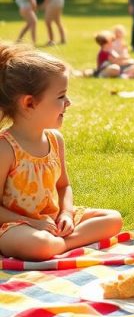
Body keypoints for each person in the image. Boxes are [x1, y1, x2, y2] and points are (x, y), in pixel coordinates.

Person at [0, 42, 122, 261]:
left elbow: (63, 186)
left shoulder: (55, 140)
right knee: (36, 243)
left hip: (52, 219)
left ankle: (60, 244)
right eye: (61, 96)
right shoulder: (6, 148)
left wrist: (66, 213)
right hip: (15, 226)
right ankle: (57, 244)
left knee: (113, 218)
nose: (69, 102)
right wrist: (34, 223)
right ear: (29, 103)